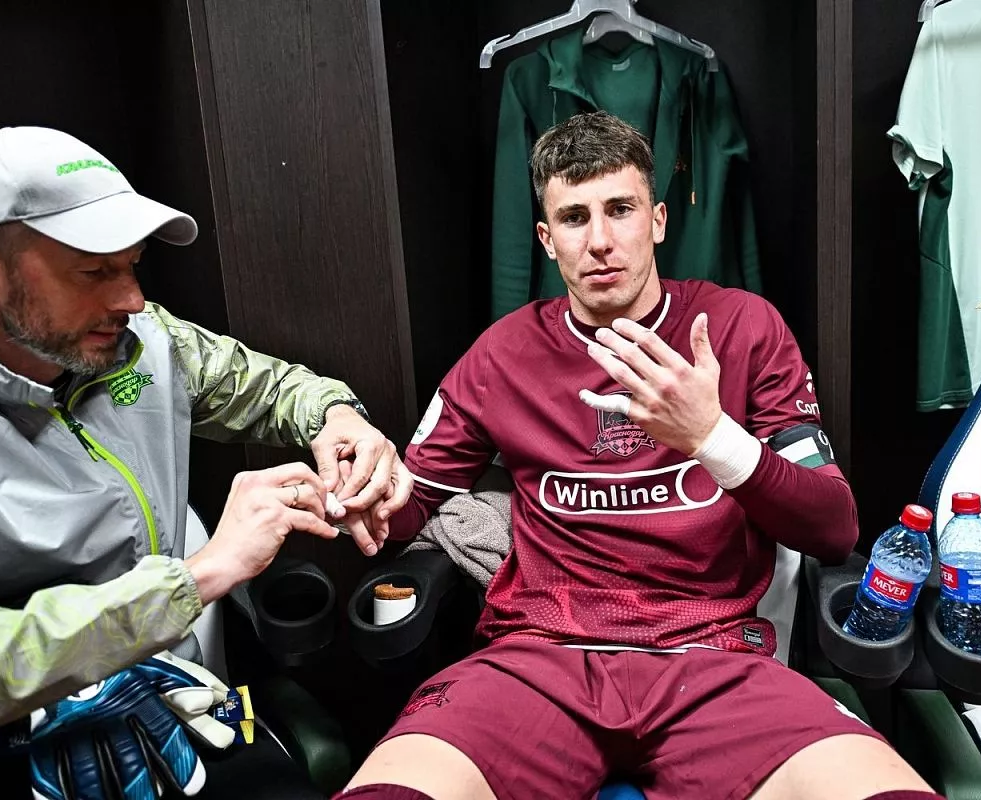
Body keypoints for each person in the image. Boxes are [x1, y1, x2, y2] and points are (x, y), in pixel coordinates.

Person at [338, 112, 943, 800]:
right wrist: (358, 492)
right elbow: (410, 504)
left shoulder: (742, 328)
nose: (599, 241)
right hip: (538, 658)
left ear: (657, 220)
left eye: (620, 210)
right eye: (574, 218)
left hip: (712, 659)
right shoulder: (502, 354)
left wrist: (711, 437)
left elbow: (833, 528)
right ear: (547, 239)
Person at [0, 126, 413, 796]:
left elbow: (272, 388)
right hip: (13, 742)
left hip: (180, 696)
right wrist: (198, 577)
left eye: (132, 264)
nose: (131, 299)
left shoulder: (139, 340)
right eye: (94, 272)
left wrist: (339, 419)